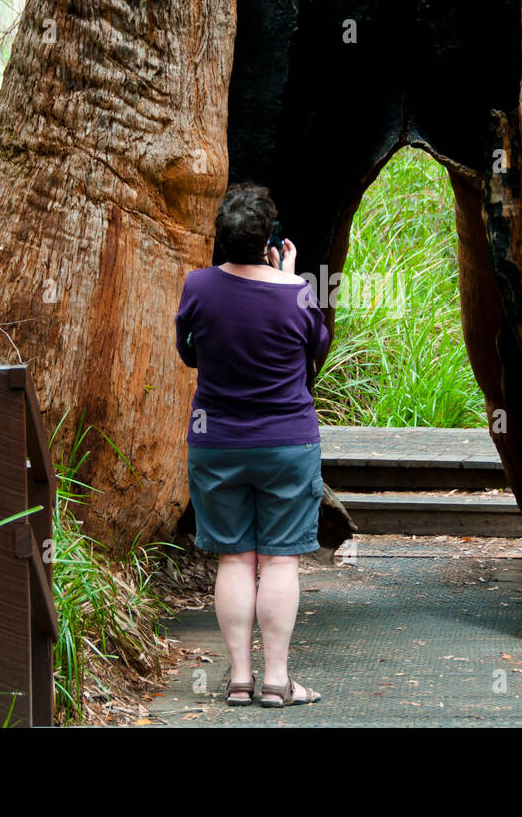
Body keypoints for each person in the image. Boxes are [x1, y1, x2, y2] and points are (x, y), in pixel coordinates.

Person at [173, 183, 331, 708]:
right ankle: (277, 681)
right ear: (269, 239)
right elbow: (316, 350)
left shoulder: (198, 287)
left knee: (234, 560)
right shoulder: (298, 293)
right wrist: (287, 282)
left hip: (216, 442)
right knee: (280, 561)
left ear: (222, 238)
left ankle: (239, 679)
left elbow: (188, 352)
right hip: (287, 443)